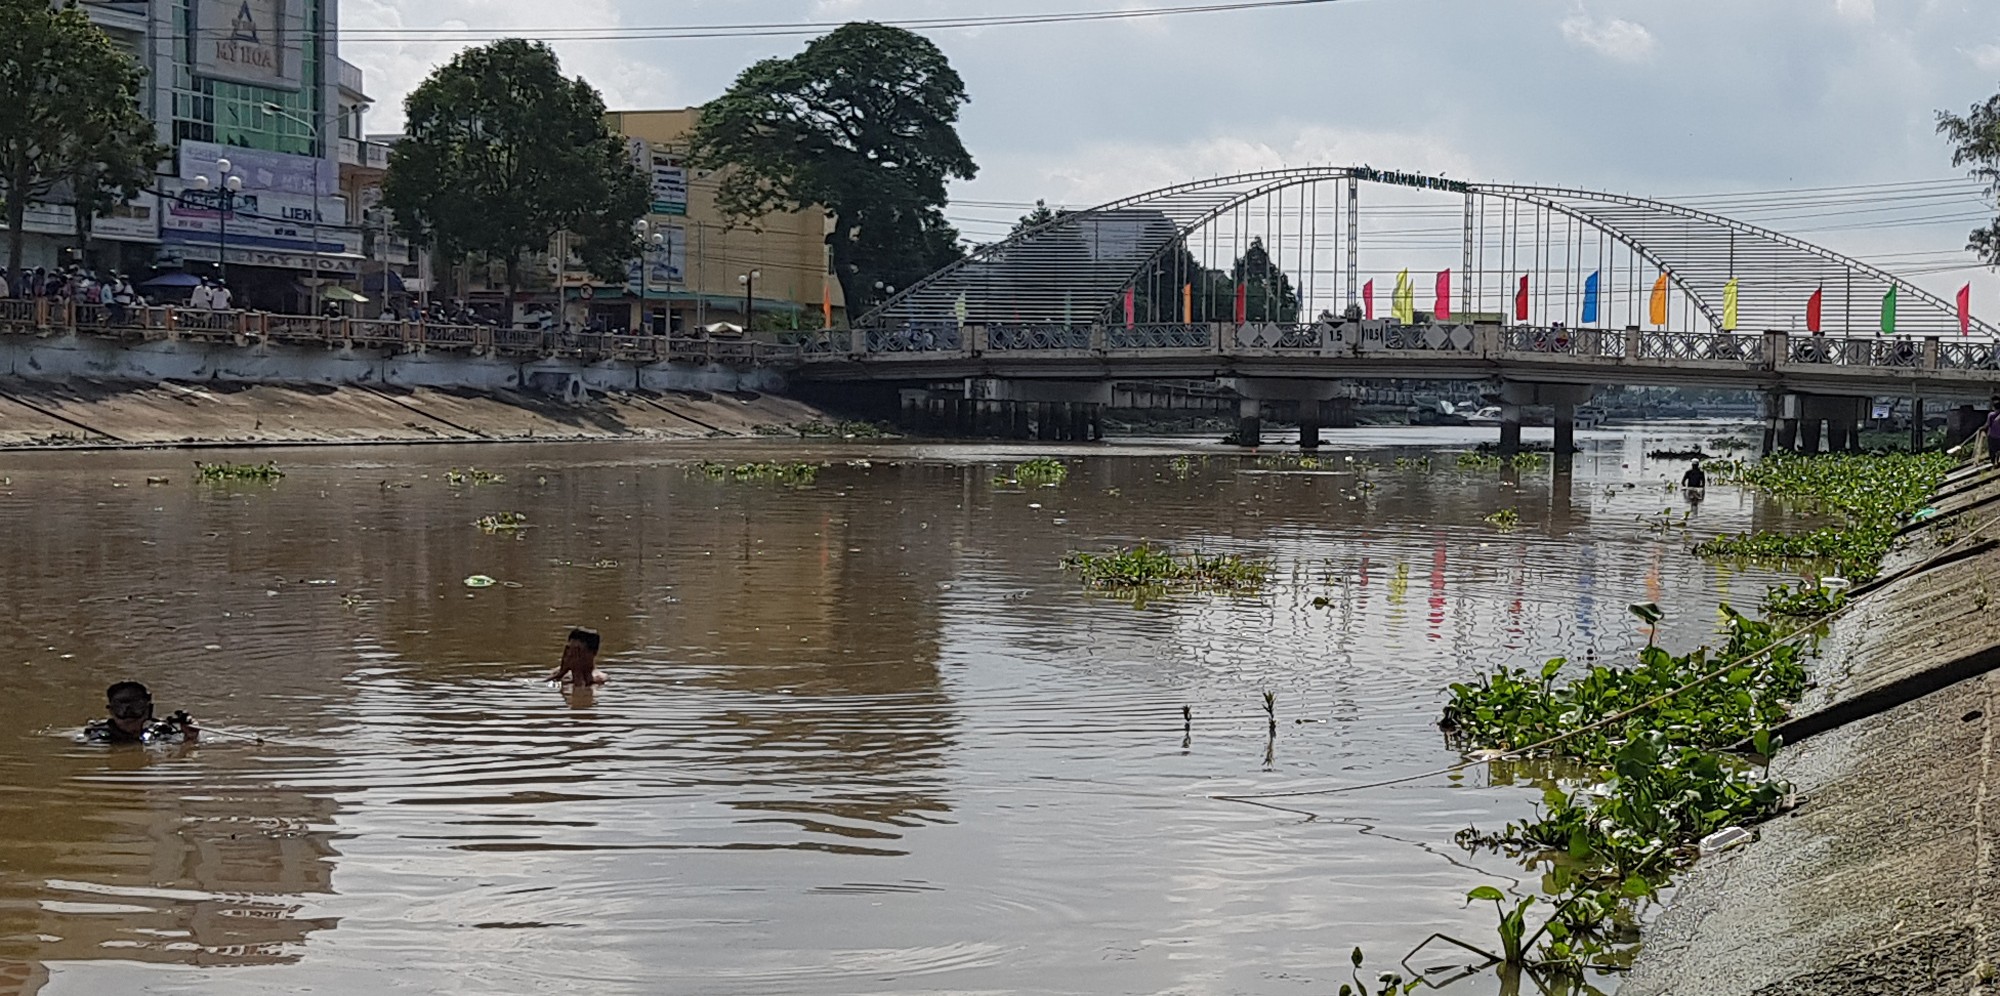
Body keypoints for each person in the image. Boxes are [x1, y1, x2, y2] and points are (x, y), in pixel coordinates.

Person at [81, 681, 199, 744]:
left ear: (149, 709)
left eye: (136, 706)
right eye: (119, 707)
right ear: (111, 711)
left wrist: (190, 737)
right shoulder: (96, 735)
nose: (127, 713)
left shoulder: (164, 732)